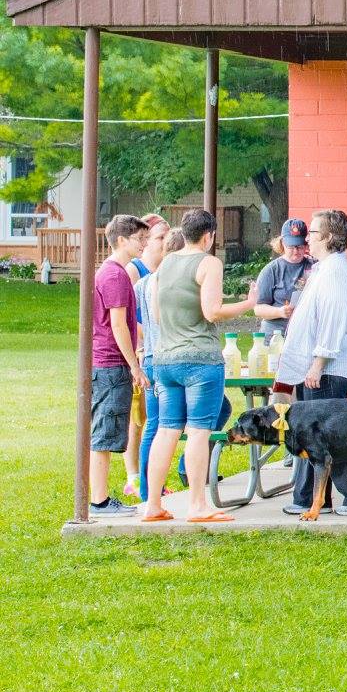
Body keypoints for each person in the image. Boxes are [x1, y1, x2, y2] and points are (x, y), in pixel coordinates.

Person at [141, 208, 258, 522]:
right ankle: (197, 505)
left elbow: (157, 312)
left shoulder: (165, 265)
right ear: (209, 236)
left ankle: (153, 504)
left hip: (164, 359)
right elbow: (212, 312)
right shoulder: (209, 262)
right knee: (198, 432)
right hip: (199, 361)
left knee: (166, 431)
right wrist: (248, 304)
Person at [265, 209, 347, 517]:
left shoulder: (335, 271)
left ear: (329, 238)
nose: (307, 239)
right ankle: (309, 497)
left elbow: (333, 321)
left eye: (313, 233)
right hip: (314, 367)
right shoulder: (323, 269)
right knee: (308, 433)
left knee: (330, 435)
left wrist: (319, 363)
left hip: (329, 368)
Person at [88, 214, 151, 517]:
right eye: (140, 239)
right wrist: (134, 366)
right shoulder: (114, 275)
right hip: (111, 365)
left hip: (110, 365)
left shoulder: (115, 272)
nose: (144, 244)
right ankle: (99, 501)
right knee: (104, 433)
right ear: (122, 240)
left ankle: (100, 499)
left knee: (108, 431)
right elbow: (118, 325)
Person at [128, 214, 172, 503]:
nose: (164, 243)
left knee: (155, 421)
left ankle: (153, 481)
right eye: (158, 238)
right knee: (140, 419)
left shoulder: (169, 269)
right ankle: (136, 478)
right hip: (146, 353)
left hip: (162, 353)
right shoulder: (136, 271)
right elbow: (129, 316)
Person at [251, 218, 313, 336]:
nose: (296, 251)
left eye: (300, 246)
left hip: (304, 332)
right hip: (276, 333)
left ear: (306, 245)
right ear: (282, 244)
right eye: (291, 247)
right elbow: (258, 308)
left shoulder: (314, 265)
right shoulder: (271, 270)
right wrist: (279, 312)